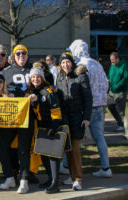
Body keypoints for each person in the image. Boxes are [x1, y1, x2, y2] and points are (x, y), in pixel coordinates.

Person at [69, 39, 113, 178]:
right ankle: (106, 167)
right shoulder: (97, 64)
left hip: (85, 109)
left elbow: (79, 88)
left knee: (74, 139)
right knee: (100, 138)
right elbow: (106, 83)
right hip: (99, 106)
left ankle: (67, 166)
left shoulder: (80, 65)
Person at [0, 44, 34, 194]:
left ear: (27, 55)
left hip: (27, 115)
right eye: (18, 54)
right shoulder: (5, 72)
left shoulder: (34, 70)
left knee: (24, 149)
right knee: (1, 146)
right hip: (10, 115)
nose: (21, 56)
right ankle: (9, 177)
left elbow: (45, 86)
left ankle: (24, 180)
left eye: (23, 53)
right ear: (13, 56)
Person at [56, 52, 92, 191]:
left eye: (68, 62)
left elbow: (88, 98)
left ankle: (77, 179)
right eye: (63, 62)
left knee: (75, 149)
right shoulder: (59, 77)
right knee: (68, 149)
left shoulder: (81, 76)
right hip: (64, 118)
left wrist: (86, 117)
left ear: (72, 62)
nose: (66, 64)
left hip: (77, 117)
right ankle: (72, 176)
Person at [28, 67, 64, 194]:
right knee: (44, 155)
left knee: (52, 155)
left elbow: (56, 112)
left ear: (42, 78)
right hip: (41, 127)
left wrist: (53, 127)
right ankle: (50, 179)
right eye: (33, 77)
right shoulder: (33, 91)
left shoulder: (48, 91)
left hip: (51, 126)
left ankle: (55, 183)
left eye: (38, 77)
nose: (36, 79)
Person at [108, 52, 128, 131]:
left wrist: (117, 85)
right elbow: (110, 75)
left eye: (113, 60)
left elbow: (125, 78)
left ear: (118, 59)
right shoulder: (112, 65)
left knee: (120, 110)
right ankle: (119, 122)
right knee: (110, 106)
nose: (112, 62)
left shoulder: (123, 65)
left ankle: (123, 126)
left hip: (120, 91)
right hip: (111, 91)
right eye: (111, 60)